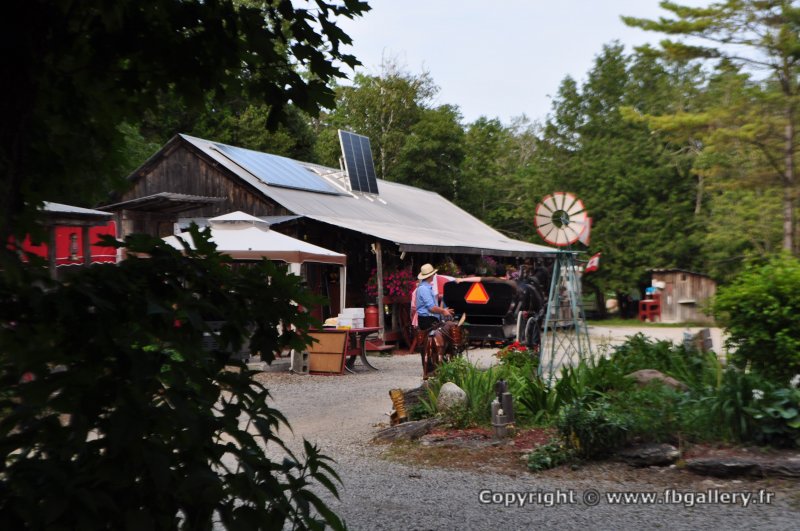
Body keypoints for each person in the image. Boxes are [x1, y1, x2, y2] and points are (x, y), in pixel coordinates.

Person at [415, 264, 454, 331]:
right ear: (430, 276)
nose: (434, 275)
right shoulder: (424, 289)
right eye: (433, 274)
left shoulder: (426, 287)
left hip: (429, 319)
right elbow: (431, 308)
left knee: (450, 326)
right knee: (451, 328)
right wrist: (443, 311)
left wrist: (444, 311)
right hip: (427, 320)